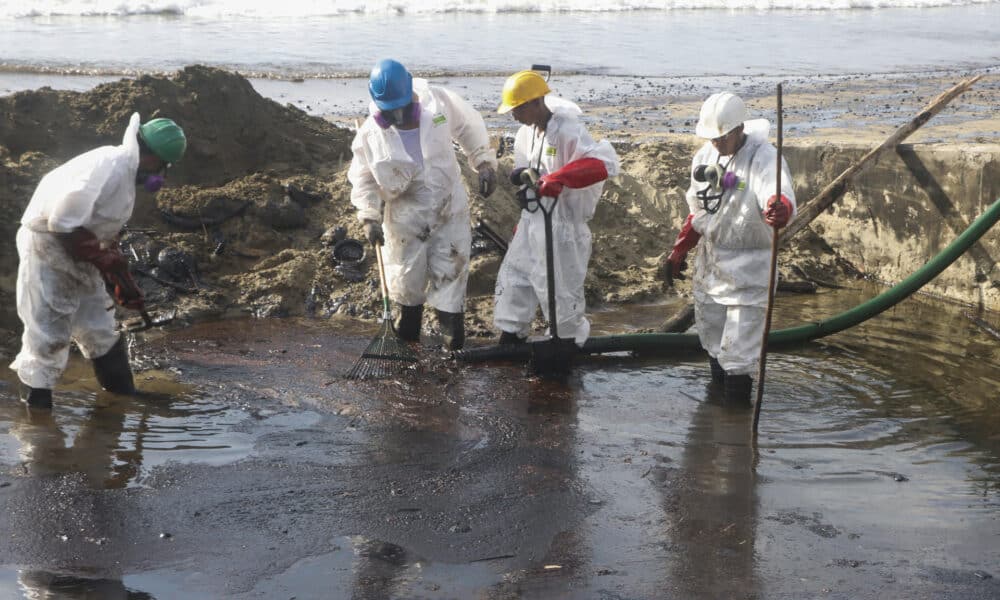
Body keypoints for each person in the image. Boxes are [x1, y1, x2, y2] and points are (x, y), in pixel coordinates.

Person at [11, 113, 186, 409]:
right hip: (49, 246)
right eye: (162, 167)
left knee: (99, 327)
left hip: (79, 248)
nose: (162, 176)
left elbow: (101, 228)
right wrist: (103, 260)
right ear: (149, 156)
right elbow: (62, 221)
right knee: (49, 331)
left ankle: (123, 397)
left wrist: (118, 277)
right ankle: (37, 412)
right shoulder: (109, 166)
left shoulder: (125, 175)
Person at [348, 58, 497, 351]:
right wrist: (368, 215)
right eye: (389, 111)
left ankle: (451, 346)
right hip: (405, 214)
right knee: (406, 282)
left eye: (400, 108)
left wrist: (483, 161)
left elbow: (468, 126)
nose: (396, 115)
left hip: (448, 207)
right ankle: (408, 344)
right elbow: (363, 177)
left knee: (451, 275)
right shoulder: (370, 133)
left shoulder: (438, 105)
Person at [661, 91, 795, 404]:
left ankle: (733, 419)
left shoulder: (764, 158)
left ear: (738, 130)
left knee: (740, 350)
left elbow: (774, 189)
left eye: (721, 138)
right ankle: (716, 405)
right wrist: (680, 250)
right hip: (713, 262)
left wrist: (779, 207)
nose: (716, 144)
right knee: (711, 336)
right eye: (712, 138)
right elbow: (698, 210)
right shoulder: (706, 157)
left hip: (751, 266)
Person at [493, 70, 620, 347]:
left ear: (536, 103)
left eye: (517, 109)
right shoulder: (526, 134)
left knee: (559, 288)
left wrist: (559, 179)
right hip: (533, 219)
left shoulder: (567, 131)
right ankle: (511, 335)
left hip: (561, 224)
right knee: (516, 277)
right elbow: (527, 174)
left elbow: (603, 165)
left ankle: (564, 344)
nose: (513, 115)